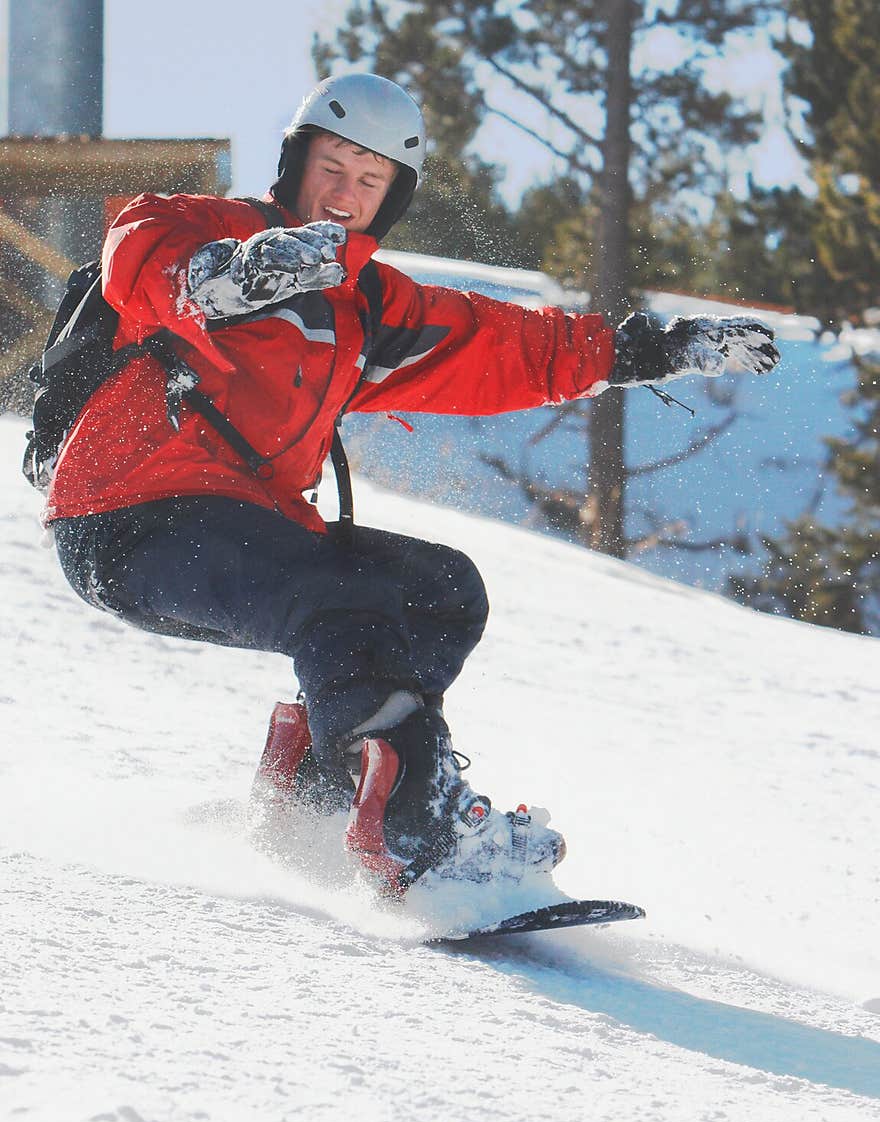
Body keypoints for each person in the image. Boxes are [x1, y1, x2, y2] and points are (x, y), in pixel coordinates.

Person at [46, 73, 780, 897]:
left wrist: (652, 351)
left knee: (439, 590)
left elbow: (506, 346)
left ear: (391, 199)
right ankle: (418, 833)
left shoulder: (366, 305)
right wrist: (237, 276)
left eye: (370, 180)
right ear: (296, 162)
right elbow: (143, 262)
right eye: (332, 166)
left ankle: (317, 803)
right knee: (339, 598)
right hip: (128, 520)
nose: (344, 193)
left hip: (249, 528)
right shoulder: (200, 228)